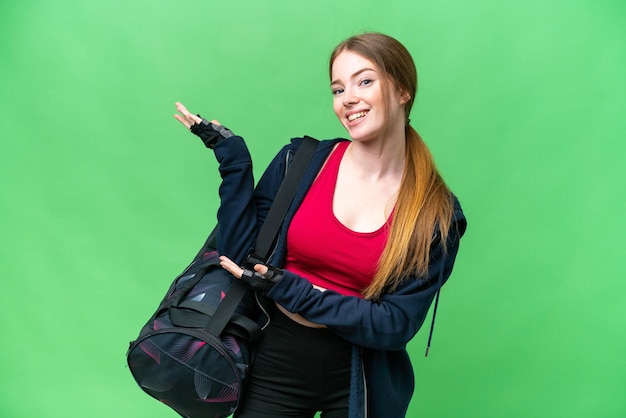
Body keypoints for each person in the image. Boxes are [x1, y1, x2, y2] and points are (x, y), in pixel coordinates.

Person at [174, 32, 467, 418]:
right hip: (274, 362)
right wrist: (235, 166)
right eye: (337, 88)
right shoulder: (300, 161)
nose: (348, 98)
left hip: (360, 381)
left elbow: (394, 325)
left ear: (401, 91)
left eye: (364, 81)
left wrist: (294, 290)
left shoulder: (436, 214)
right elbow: (238, 256)